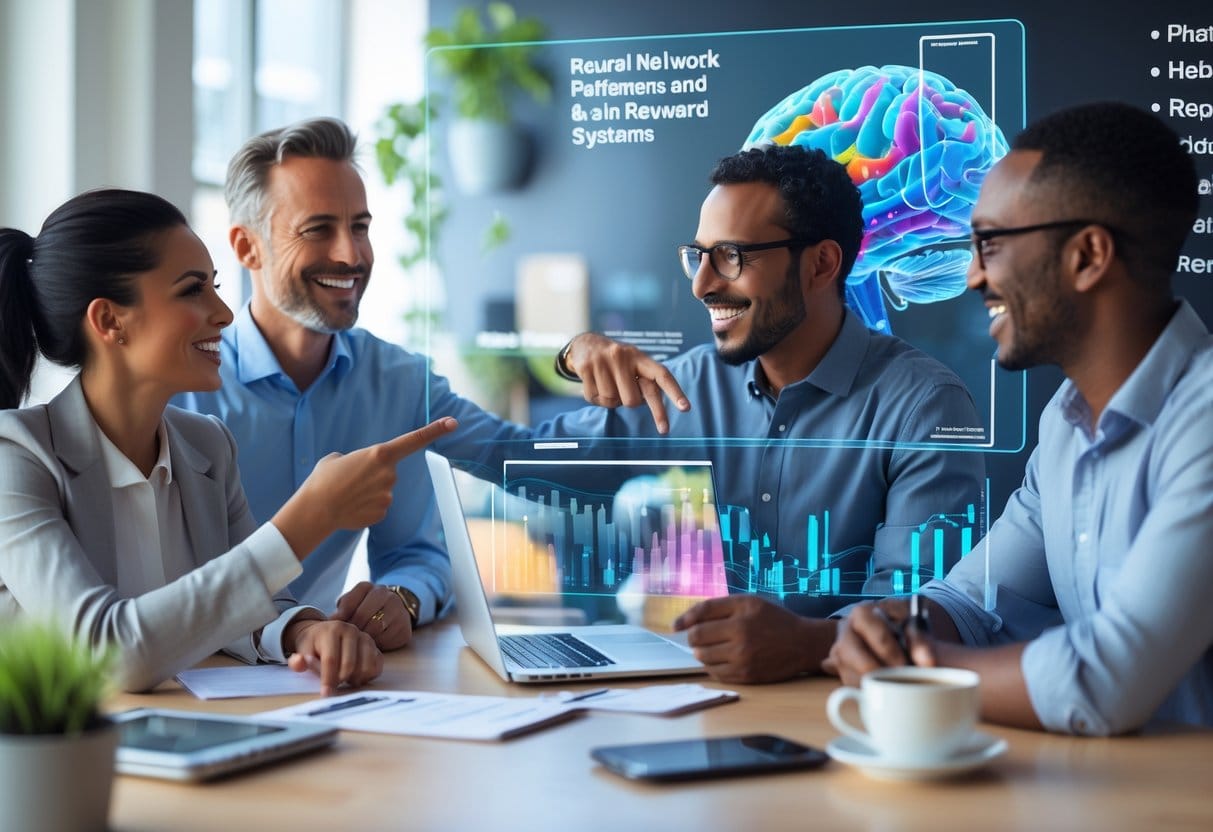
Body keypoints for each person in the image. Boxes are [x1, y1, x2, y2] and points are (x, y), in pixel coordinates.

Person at [176, 117, 686, 652]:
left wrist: (404, 598)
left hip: (324, 678)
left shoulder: (397, 384)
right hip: (183, 680)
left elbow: (509, 469)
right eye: (318, 229)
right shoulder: (183, 388)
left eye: (360, 227)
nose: (351, 256)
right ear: (246, 246)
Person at [827, 101, 1212, 735]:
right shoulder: (1065, 428)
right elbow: (972, 603)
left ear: (1088, 256)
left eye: (991, 244)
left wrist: (913, 671)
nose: (974, 275)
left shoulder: (1203, 420)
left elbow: (1105, 680)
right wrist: (881, 632)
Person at [552, 144, 986, 683]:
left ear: (822, 264)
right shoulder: (692, 383)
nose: (701, 284)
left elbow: (928, 618)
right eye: (698, 255)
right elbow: (518, 458)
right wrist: (573, 353)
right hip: (722, 706)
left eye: (731, 255)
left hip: (865, 718)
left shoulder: (926, 405)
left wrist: (805, 644)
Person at [0, 189, 455, 693]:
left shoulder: (208, 444)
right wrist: (309, 517)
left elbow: (246, 607)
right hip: (61, 761)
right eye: (193, 290)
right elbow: (109, 653)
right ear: (110, 321)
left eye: (215, 286)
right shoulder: (17, 457)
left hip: (181, 735)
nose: (224, 312)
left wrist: (304, 630)